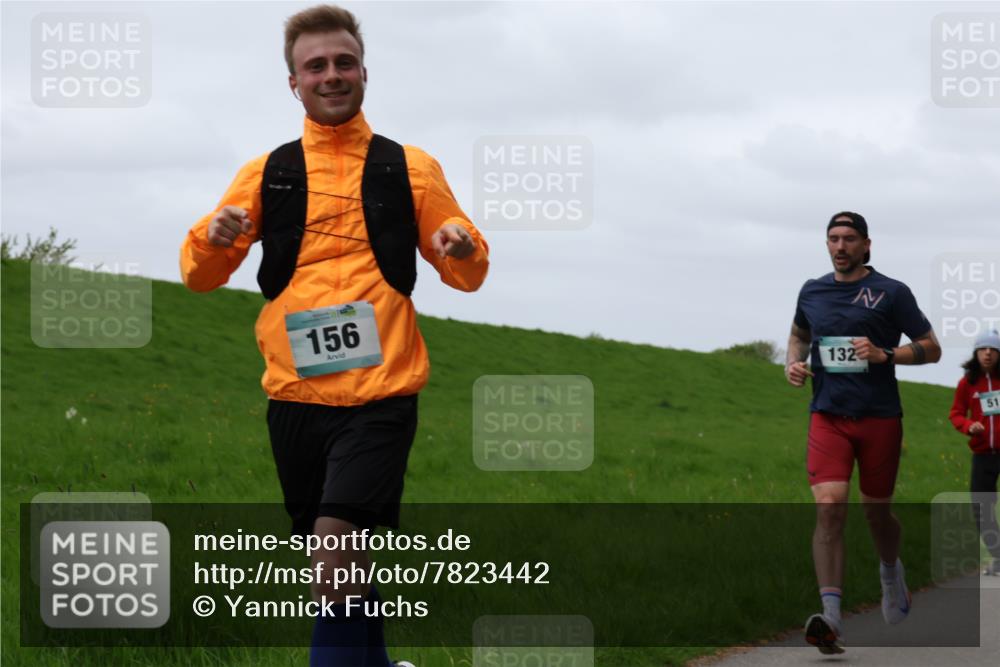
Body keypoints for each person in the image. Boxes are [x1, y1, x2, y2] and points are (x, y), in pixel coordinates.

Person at [179, 5, 489, 666]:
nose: (331, 74)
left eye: (343, 62)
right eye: (315, 65)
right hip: (296, 396)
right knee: (340, 549)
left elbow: (466, 272)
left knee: (333, 540)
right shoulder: (266, 171)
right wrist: (214, 236)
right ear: (292, 82)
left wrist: (459, 244)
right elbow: (200, 276)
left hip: (381, 395)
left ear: (365, 72)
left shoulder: (413, 168)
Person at [784, 211, 941, 655]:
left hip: (879, 419)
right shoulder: (811, 291)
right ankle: (830, 617)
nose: (840, 246)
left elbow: (932, 348)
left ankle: (891, 572)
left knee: (877, 515)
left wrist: (884, 353)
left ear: (866, 245)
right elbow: (798, 334)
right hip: (828, 416)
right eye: (833, 238)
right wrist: (793, 363)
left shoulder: (892, 292)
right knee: (830, 508)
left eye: (849, 238)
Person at [949, 329, 1000, 576]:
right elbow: (956, 413)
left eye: (993, 349)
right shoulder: (967, 383)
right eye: (983, 349)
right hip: (983, 454)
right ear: (976, 353)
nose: (988, 354)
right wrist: (970, 426)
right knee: (981, 507)